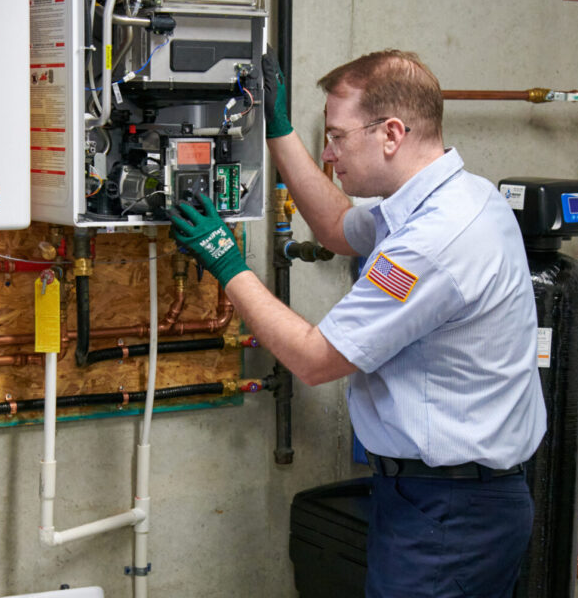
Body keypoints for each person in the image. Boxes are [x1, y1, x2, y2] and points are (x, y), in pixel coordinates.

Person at [169, 49, 546, 598]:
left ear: (390, 133)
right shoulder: (453, 197)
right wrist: (278, 130)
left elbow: (316, 358)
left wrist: (227, 263)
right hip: (440, 501)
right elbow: (338, 228)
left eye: (338, 137)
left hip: (451, 514)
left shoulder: (436, 241)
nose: (328, 151)